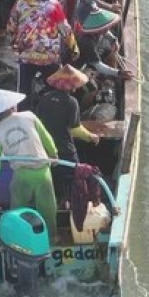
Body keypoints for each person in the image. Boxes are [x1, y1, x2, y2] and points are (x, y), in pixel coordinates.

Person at [0, 90, 60, 239]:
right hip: (42, 172)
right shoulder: (29, 116)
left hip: (22, 175)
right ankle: (52, 238)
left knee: (18, 210)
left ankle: (19, 239)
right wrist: (54, 154)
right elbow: (47, 138)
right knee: (48, 208)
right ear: (13, 106)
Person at [7, 0, 79, 104]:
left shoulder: (20, 3)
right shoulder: (54, 4)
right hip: (49, 56)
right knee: (56, 87)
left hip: (26, 55)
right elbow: (65, 29)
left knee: (23, 91)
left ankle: (24, 112)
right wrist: (74, 47)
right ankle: (55, 107)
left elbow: (11, 27)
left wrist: (14, 47)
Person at [36, 65, 99, 206]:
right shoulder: (72, 102)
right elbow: (75, 129)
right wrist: (91, 136)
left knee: (53, 179)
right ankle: (69, 203)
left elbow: (38, 122)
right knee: (73, 178)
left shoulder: (45, 98)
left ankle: (55, 202)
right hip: (65, 150)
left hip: (46, 149)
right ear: (72, 85)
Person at [75, 5, 132, 80]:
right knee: (93, 86)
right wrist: (118, 73)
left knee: (109, 52)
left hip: (93, 53)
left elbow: (105, 31)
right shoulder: (87, 42)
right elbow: (97, 65)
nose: (107, 28)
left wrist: (113, 39)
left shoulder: (94, 31)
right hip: (82, 64)